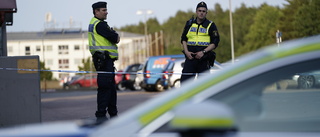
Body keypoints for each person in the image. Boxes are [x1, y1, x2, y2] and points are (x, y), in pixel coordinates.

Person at [88, 1, 120, 121]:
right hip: (104, 61)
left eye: (106, 10)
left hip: (105, 61)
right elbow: (115, 38)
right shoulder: (100, 25)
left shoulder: (94, 23)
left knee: (110, 89)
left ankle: (113, 114)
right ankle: (101, 116)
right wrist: (115, 34)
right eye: (103, 10)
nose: (107, 12)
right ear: (96, 12)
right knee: (105, 89)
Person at [180, 1, 220, 83]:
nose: (201, 13)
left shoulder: (210, 25)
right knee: (185, 83)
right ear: (196, 11)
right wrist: (187, 52)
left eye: (203, 11)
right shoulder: (189, 23)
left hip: (203, 59)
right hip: (190, 58)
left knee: (203, 85)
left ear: (206, 13)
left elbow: (215, 42)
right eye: (199, 11)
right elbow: (183, 38)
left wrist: (203, 52)